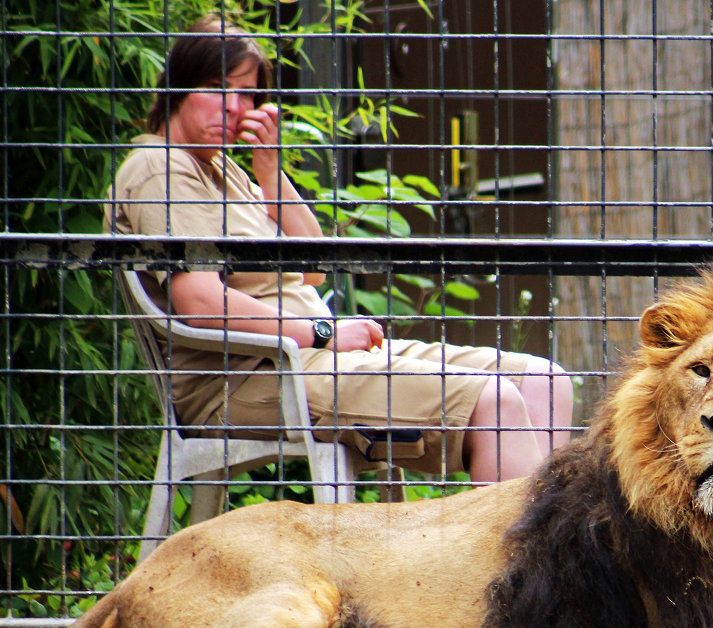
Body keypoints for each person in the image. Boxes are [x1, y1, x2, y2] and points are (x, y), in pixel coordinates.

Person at [104, 13, 572, 484]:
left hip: (313, 360)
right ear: (178, 87)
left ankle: (534, 553)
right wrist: (322, 331)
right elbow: (201, 304)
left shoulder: (222, 170)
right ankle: (510, 558)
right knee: (494, 401)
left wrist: (269, 172)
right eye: (216, 86)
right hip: (248, 378)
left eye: (246, 93)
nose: (234, 106)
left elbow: (313, 270)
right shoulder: (160, 169)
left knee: (542, 382)